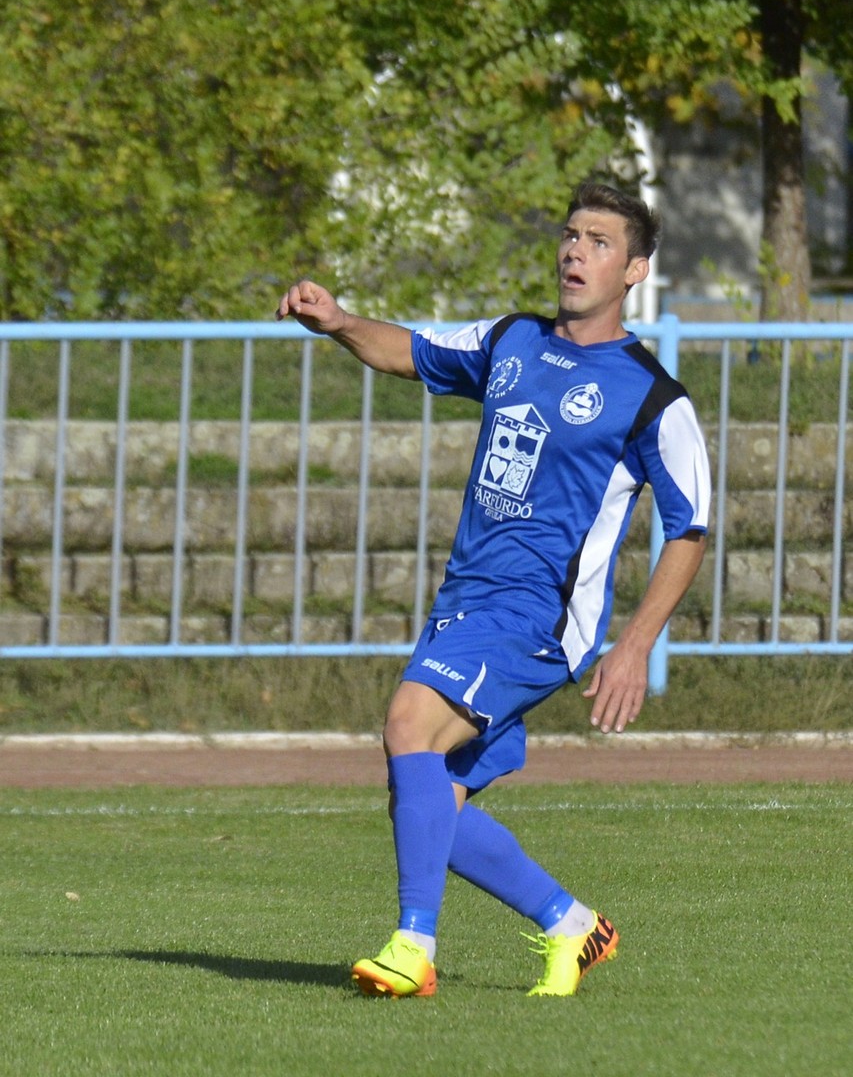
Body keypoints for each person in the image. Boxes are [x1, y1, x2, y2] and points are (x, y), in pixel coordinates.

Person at [276, 181, 711, 999]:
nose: (575, 251)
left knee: (407, 723)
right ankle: (571, 924)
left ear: (634, 271)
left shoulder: (654, 397)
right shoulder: (512, 339)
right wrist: (338, 322)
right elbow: (409, 350)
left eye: (600, 242)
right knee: (426, 796)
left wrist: (635, 644)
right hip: (466, 600)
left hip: (539, 614)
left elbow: (689, 527)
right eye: (571, 234)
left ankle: (412, 948)